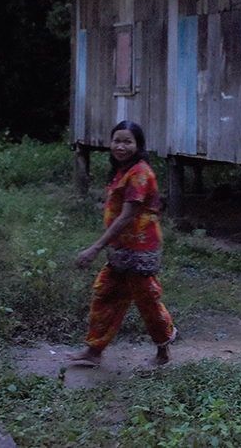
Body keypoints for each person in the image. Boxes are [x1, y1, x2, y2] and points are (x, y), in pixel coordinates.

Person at [68, 121, 176, 367]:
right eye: (117, 141)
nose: (120, 146)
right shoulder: (122, 170)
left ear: (139, 145)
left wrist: (95, 248)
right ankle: (94, 351)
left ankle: (164, 352)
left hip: (140, 251)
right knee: (104, 292)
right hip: (121, 249)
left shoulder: (140, 173)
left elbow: (127, 216)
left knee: (147, 301)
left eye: (127, 142)